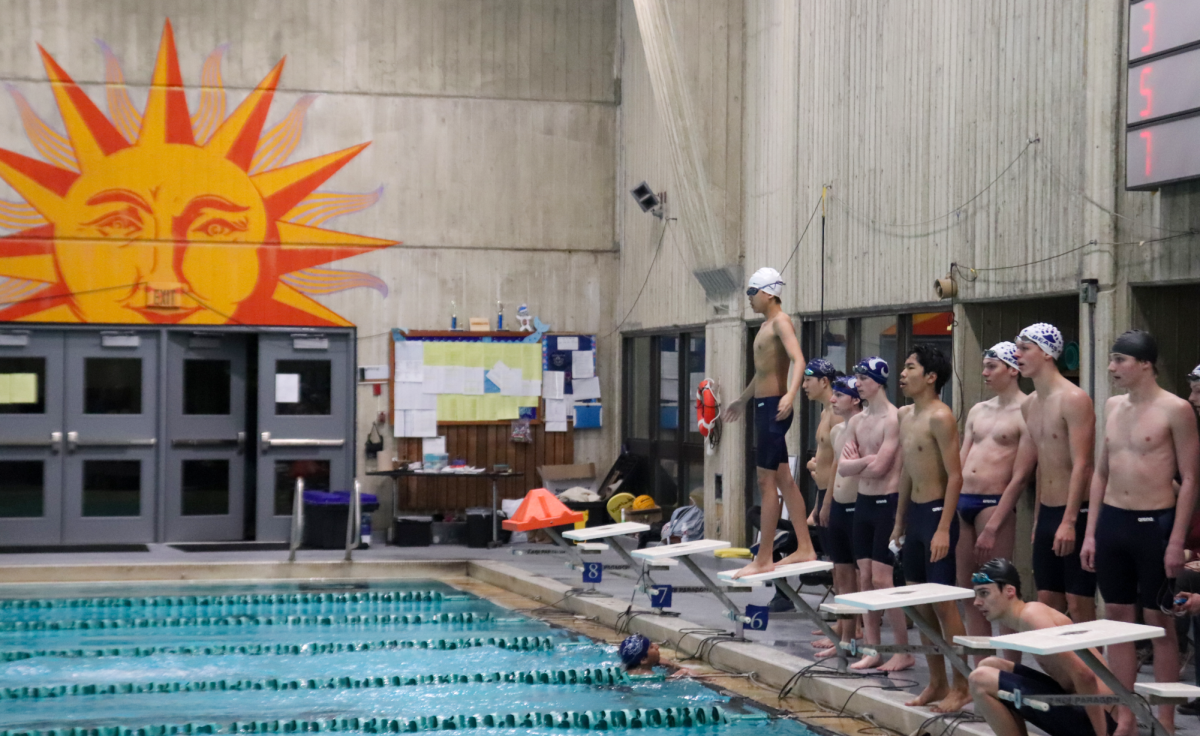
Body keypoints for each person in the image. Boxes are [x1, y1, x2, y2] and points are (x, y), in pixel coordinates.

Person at [1079, 330, 1200, 736]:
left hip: (1156, 526)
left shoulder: (1176, 409)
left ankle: (1164, 718)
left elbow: (1192, 479)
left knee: (1158, 623)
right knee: (1116, 621)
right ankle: (1125, 713)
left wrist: (1177, 541)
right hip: (1113, 523)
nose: (1111, 368)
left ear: (1145, 364)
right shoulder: (1112, 406)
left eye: (1119, 360)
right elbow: (1100, 473)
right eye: (1111, 360)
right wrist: (1091, 533)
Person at [890, 344, 969, 712]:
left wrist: (942, 529)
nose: (902, 374)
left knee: (944, 607)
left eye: (909, 368)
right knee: (917, 606)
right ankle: (936, 683)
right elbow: (906, 470)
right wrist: (899, 521)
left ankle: (962, 685)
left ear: (931, 377)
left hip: (938, 515)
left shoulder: (941, 416)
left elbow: (956, 476)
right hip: (916, 518)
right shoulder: (906, 416)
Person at [725, 267, 815, 578]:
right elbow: (762, 373)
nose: (748, 299)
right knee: (784, 481)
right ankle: (805, 546)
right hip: (763, 405)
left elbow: (799, 359)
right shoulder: (764, 327)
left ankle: (764, 557)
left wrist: (791, 394)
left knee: (766, 482)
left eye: (751, 293)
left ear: (767, 293)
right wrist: (742, 399)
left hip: (775, 407)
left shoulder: (781, 321)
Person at [968, 558, 1117, 736]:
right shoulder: (1028, 615)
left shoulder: (1033, 617)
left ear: (1009, 591)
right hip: (1084, 705)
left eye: (984, 593)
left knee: (980, 679)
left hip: (1102, 718)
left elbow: (1084, 674)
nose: (977, 602)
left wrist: (1102, 733)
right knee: (990, 664)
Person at [957, 342, 1036, 662]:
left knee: (999, 590)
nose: (984, 373)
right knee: (970, 591)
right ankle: (982, 669)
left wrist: (993, 526)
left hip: (994, 503)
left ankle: (1009, 668)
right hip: (964, 501)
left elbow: (1020, 477)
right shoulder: (978, 410)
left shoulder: (1027, 410)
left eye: (992, 367)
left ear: (1013, 370)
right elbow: (959, 462)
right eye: (984, 366)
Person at [1016, 322, 1097, 623]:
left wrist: (1069, 521)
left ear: (1047, 353)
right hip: (1048, 513)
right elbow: (1042, 467)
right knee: (1046, 605)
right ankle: (1058, 673)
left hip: (1075, 513)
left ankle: (1093, 670)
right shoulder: (1030, 405)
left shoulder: (1074, 399)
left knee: (1079, 605)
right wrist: (1039, 519)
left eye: (1025, 349)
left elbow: (1083, 464)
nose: (1017, 354)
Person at [838, 357, 913, 672]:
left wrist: (861, 461)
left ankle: (902, 650)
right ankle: (872, 648)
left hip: (888, 501)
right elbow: (843, 467)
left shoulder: (894, 419)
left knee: (883, 580)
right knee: (864, 578)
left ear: (878, 381)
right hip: (864, 502)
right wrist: (864, 461)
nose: (857, 383)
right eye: (856, 377)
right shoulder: (857, 421)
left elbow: (883, 468)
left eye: (862, 378)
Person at [814, 375, 864, 660]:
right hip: (839, 508)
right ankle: (843, 639)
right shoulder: (837, 432)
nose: (832, 399)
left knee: (862, 578)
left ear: (855, 399)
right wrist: (826, 504)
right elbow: (834, 469)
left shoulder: (865, 428)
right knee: (842, 576)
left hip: (861, 508)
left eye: (839, 395)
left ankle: (862, 636)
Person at [618, 634, 696, 678]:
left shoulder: (624, 670)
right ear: (644, 659)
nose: (657, 646)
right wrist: (683, 672)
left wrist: (669, 664)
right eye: (651, 647)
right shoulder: (648, 675)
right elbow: (668, 680)